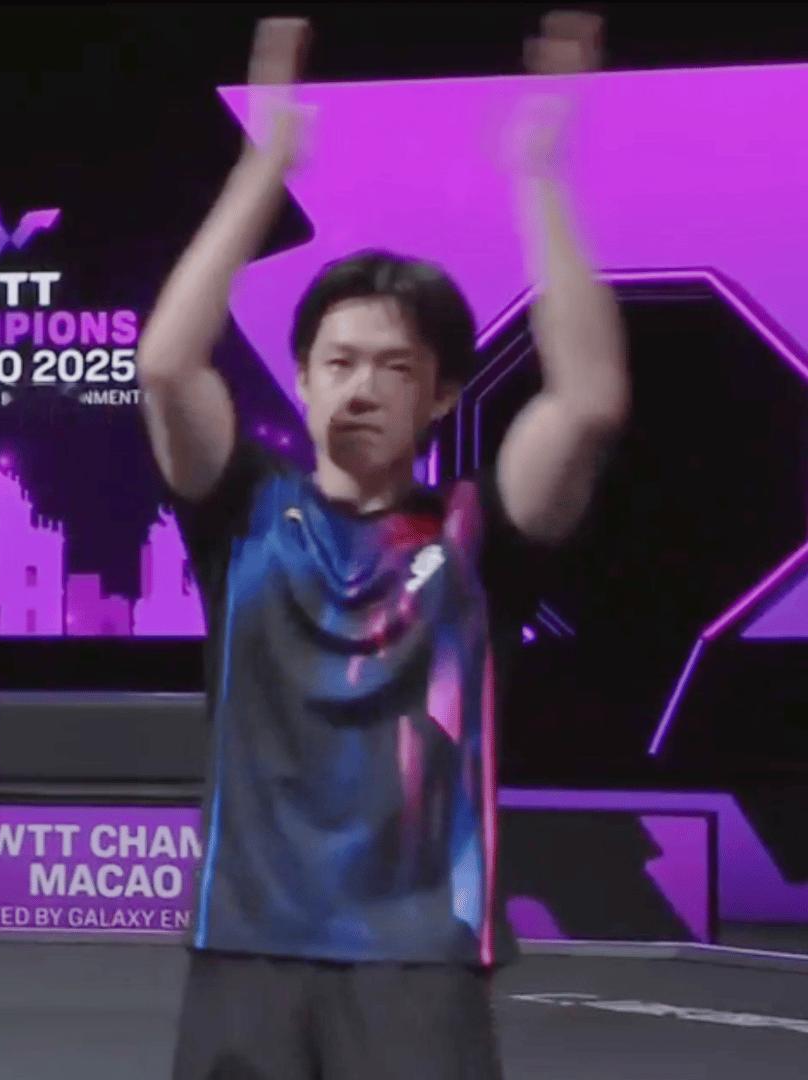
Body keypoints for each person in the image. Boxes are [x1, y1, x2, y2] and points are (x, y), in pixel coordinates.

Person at [137, 11, 628, 1079]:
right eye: (339, 362)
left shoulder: (480, 535)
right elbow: (167, 365)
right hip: (248, 949)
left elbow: (589, 399)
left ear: (440, 394)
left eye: (394, 367)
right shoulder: (242, 515)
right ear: (303, 380)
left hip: (418, 959)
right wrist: (265, 166)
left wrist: (542, 174)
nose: (361, 387)